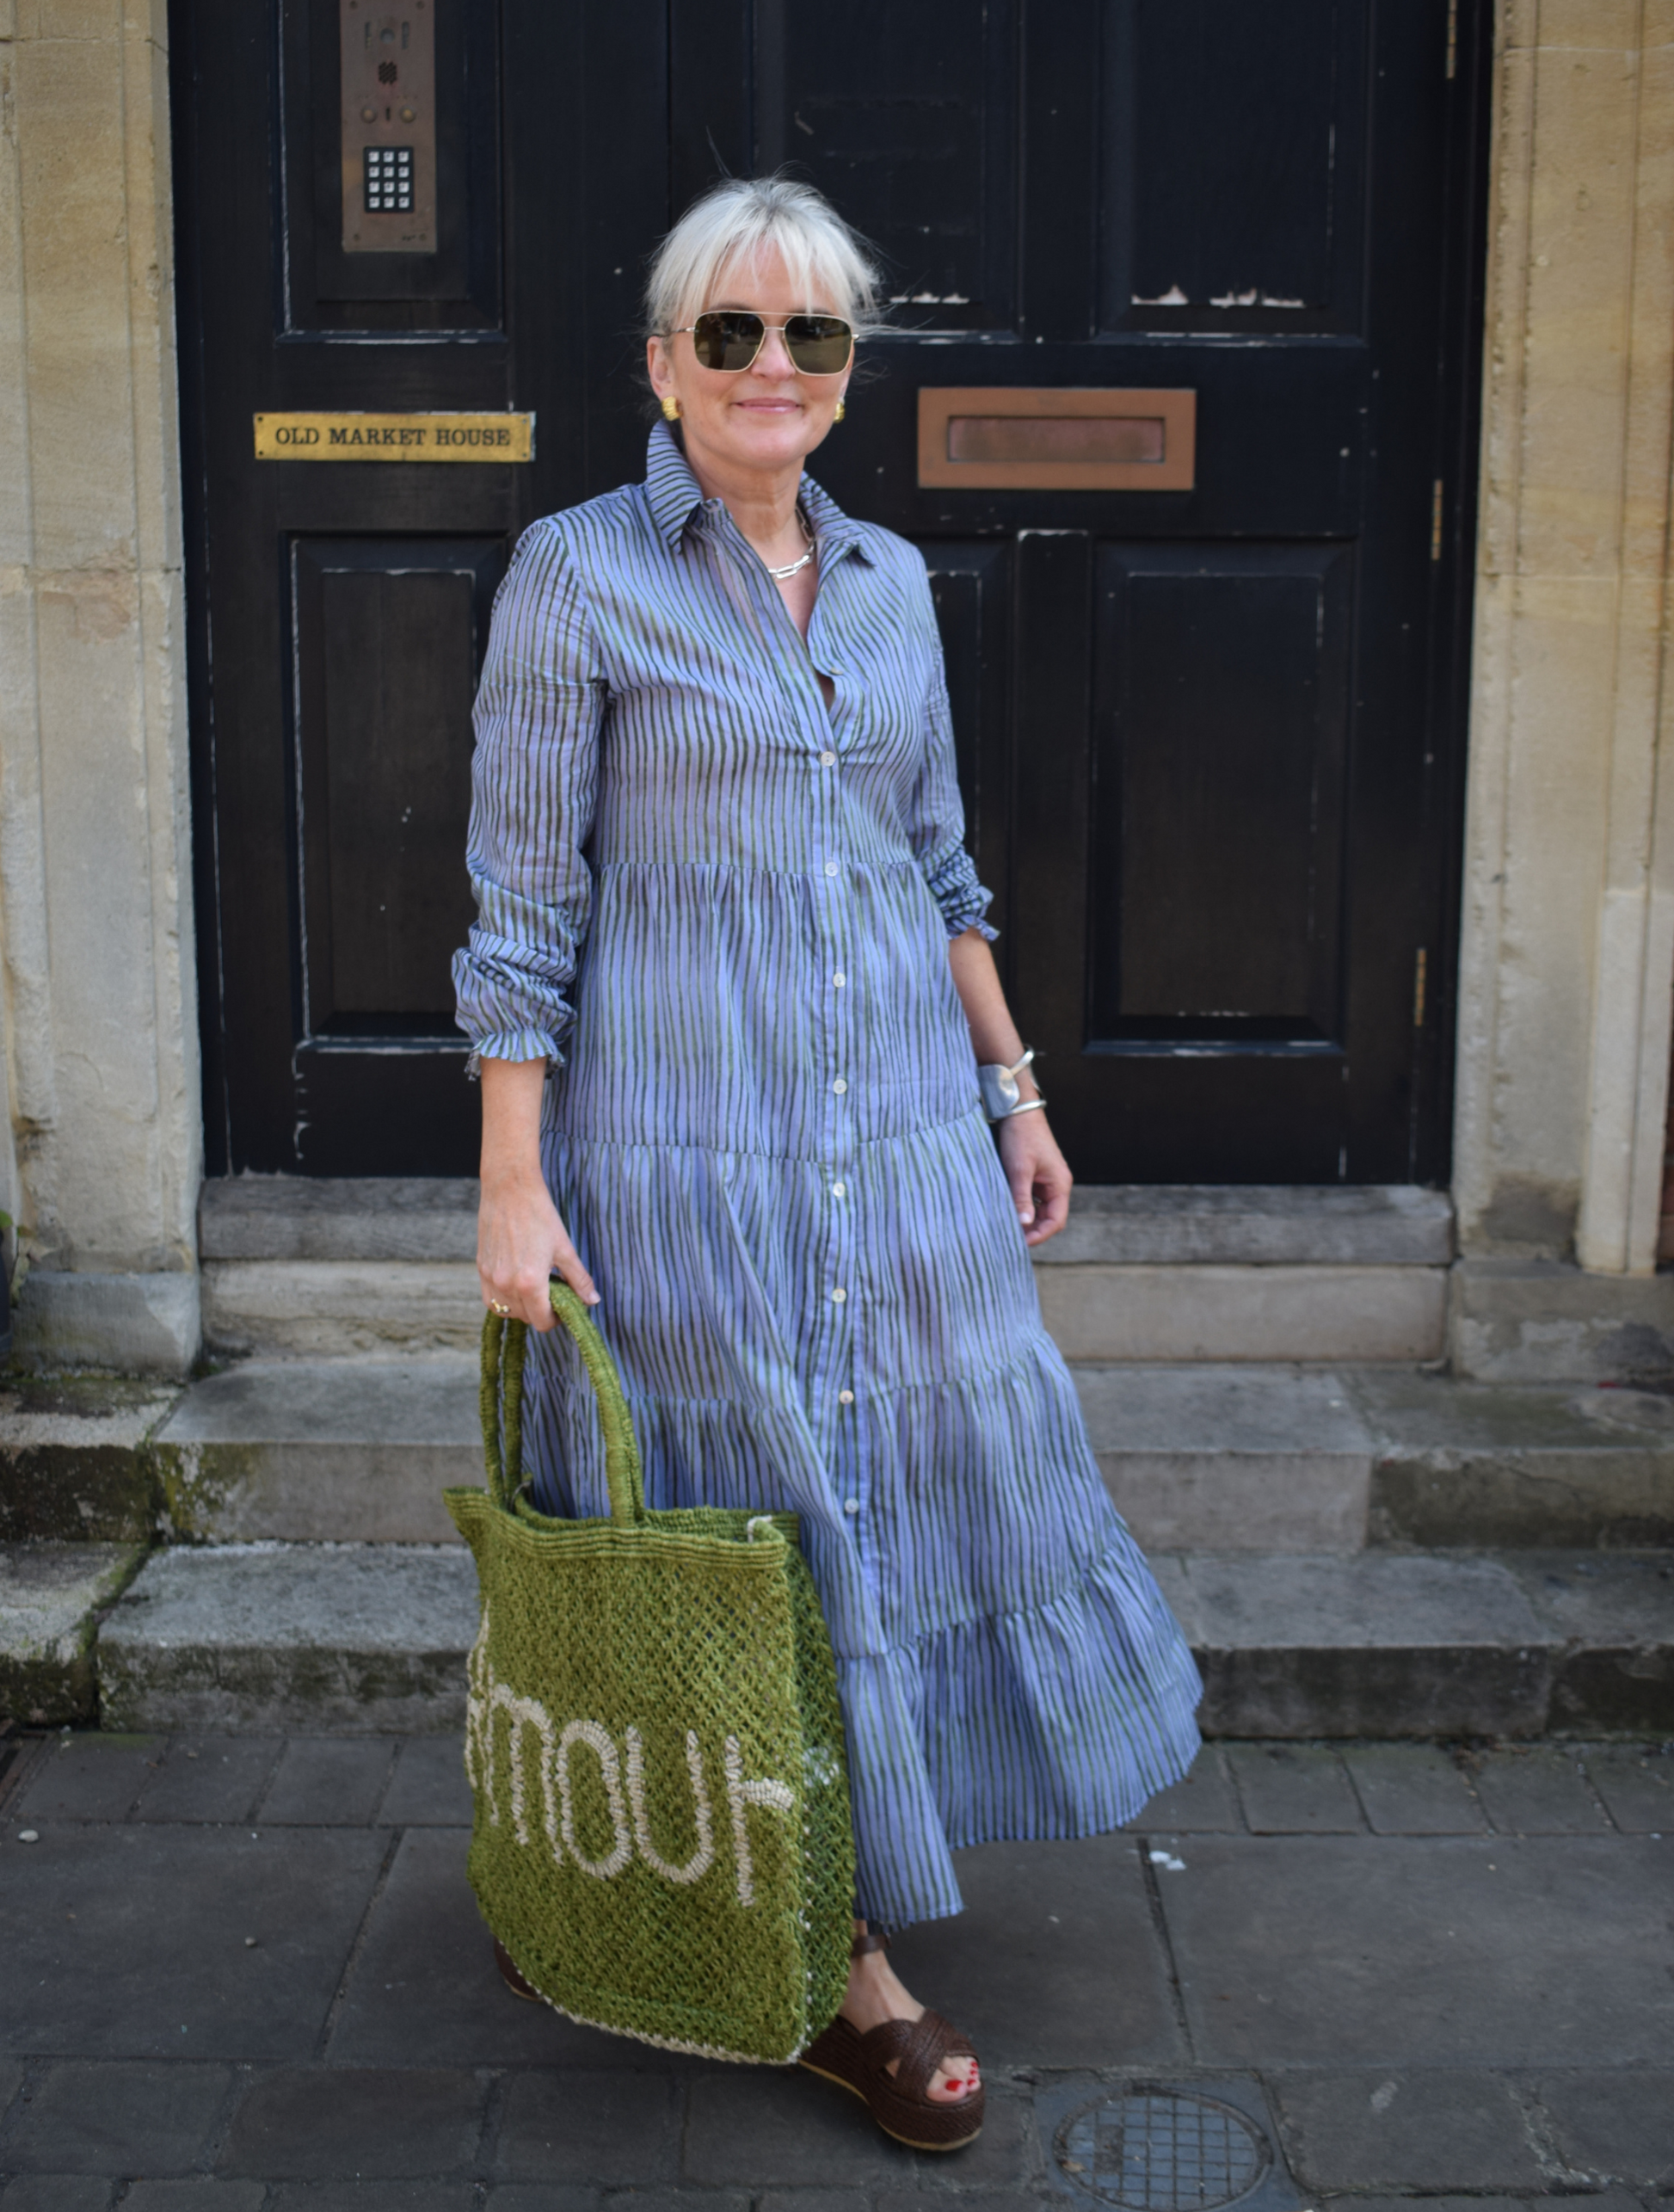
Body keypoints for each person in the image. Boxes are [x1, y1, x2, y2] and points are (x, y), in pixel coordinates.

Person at [453, 173, 1202, 2153]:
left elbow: (934, 866)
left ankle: (780, 1884)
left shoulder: (884, 584)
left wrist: (1015, 1088)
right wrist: (507, 1182)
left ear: (849, 372)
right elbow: (523, 908)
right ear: (661, 365)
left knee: (917, 1485)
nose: (770, 366)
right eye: (730, 333)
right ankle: (824, 1960)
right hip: (682, 1158)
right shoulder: (579, 573)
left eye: (810, 337)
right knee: (743, 1517)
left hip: (902, 1145)